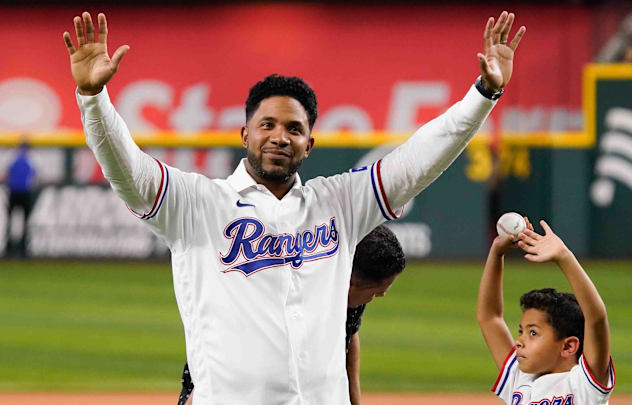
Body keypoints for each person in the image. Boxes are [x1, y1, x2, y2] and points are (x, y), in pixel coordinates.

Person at [63, 10, 525, 404]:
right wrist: (93, 99)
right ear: (245, 135)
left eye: (293, 128)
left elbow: (418, 160)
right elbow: (127, 169)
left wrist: (483, 95)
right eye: (267, 124)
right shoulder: (197, 204)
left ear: (309, 144)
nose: (280, 136)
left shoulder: (340, 203)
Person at [178, 225, 406, 405]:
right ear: (348, 282)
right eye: (376, 293)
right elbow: (226, 344)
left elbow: (347, 336)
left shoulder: (350, 283)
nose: (379, 296)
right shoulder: (283, 294)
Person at [476, 219, 615, 405]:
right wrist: (496, 252)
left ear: (568, 346)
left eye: (532, 333)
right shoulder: (519, 379)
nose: (519, 342)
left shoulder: (582, 384)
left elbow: (596, 319)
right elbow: (489, 318)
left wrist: (564, 257)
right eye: (521, 332)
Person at [5, 142, 36, 257]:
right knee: (25, 221)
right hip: (24, 193)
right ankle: (23, 249)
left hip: (14, 192)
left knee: (12, 221)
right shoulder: (32, 158)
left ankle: (10, 248)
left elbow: (6, 174)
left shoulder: (12, 156)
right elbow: (35, 176)